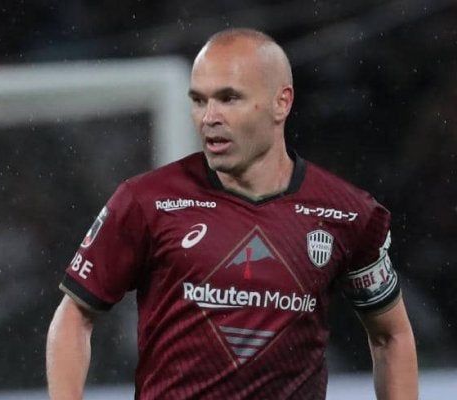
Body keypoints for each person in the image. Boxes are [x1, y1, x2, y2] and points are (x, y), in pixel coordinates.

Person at [46, 28, 418, 399]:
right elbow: (76, 314)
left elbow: (391, 335)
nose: (209, 117)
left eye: (228, 98)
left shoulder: (346, 213)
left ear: (281, 102)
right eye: (198, 100)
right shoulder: (146, 201)